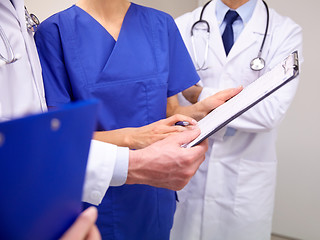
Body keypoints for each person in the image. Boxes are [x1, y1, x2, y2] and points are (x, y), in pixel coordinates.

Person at [0, 0, 222, 239]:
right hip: (94, 197)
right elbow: (57, 138)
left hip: (154, 194)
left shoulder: (161, 24)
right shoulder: (55, 32)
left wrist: (202, 110)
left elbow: (170, 111)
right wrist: (137, 137)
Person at [170, 0, 303, 240]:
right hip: (189, 169)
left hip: (245, 177)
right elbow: (171, 108)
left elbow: (269, 113)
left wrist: (199, 95)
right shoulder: (182, 26)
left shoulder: (285, 32)